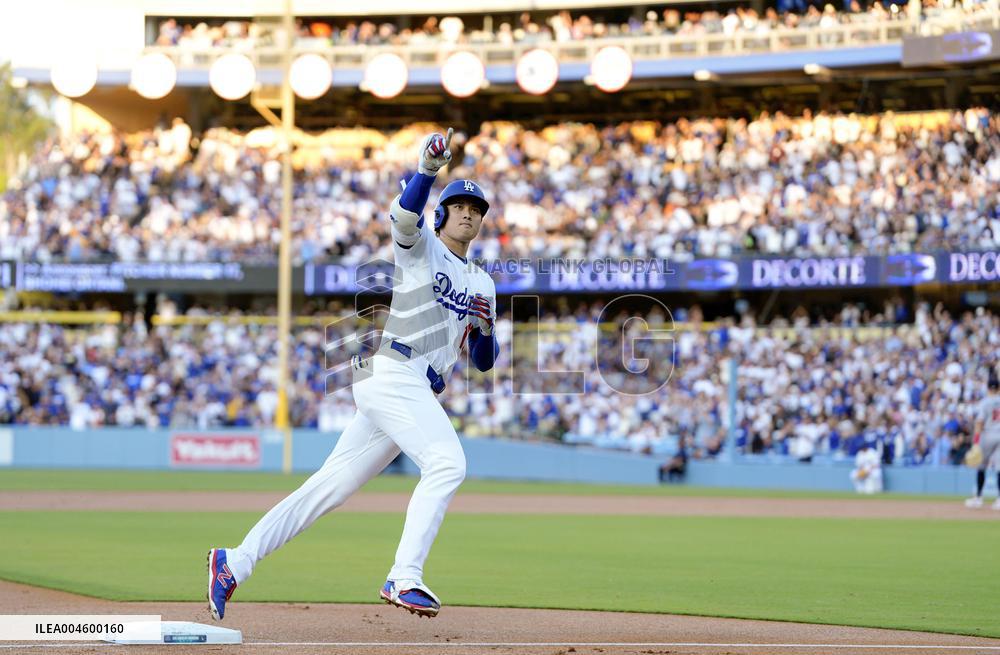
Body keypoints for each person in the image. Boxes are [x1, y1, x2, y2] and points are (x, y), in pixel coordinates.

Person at [207, 128, 499, 620]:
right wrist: (427, 169)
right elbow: (407, 214)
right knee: (449, 463)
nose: (469, 213)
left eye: (477, 209)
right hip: (395, 371)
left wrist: (488, 328)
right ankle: (404, 576)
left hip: (408, 386)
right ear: (443, 213)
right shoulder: (421, 247)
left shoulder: (483, 281)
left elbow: (485, 362)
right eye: (460, 206)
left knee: (330, 488)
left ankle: (234, 561)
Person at [964, 373, 1000, 509]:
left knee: (981, 466)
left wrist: (976, 442)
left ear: (988, 388)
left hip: (988, 435)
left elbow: (979, 422)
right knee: (999, 469)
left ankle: (978, 497)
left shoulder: (985, 402)